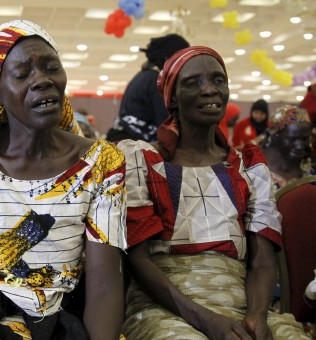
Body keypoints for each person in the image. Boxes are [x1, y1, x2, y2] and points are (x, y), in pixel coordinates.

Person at [0, 20, 127, 340]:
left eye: (51, 67)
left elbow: (104, 285)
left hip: (67, 318)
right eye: (22, 74)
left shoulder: (101, 162)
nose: (42, 80)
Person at [118, 46, 309, 339]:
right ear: (173, 99)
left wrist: (256, 317)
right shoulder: (142, 161)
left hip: (243, 302)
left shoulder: (248, 165)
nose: (209, 90)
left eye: (218, 80)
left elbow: (262, 259)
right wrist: (208, 322)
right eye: (193, 83)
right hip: (164, 308)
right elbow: (138, 261)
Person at [106, 34, 189, 142]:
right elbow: (166, 124)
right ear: (168, 59)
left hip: (122, 139)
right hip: (130, 145)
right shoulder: (156, 81)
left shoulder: (144, 76)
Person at [259, 104, 313, 189]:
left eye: (305, 138)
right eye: (292, 139)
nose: (299, 146)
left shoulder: (308, 164)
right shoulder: (256, 168)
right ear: (275, 136)